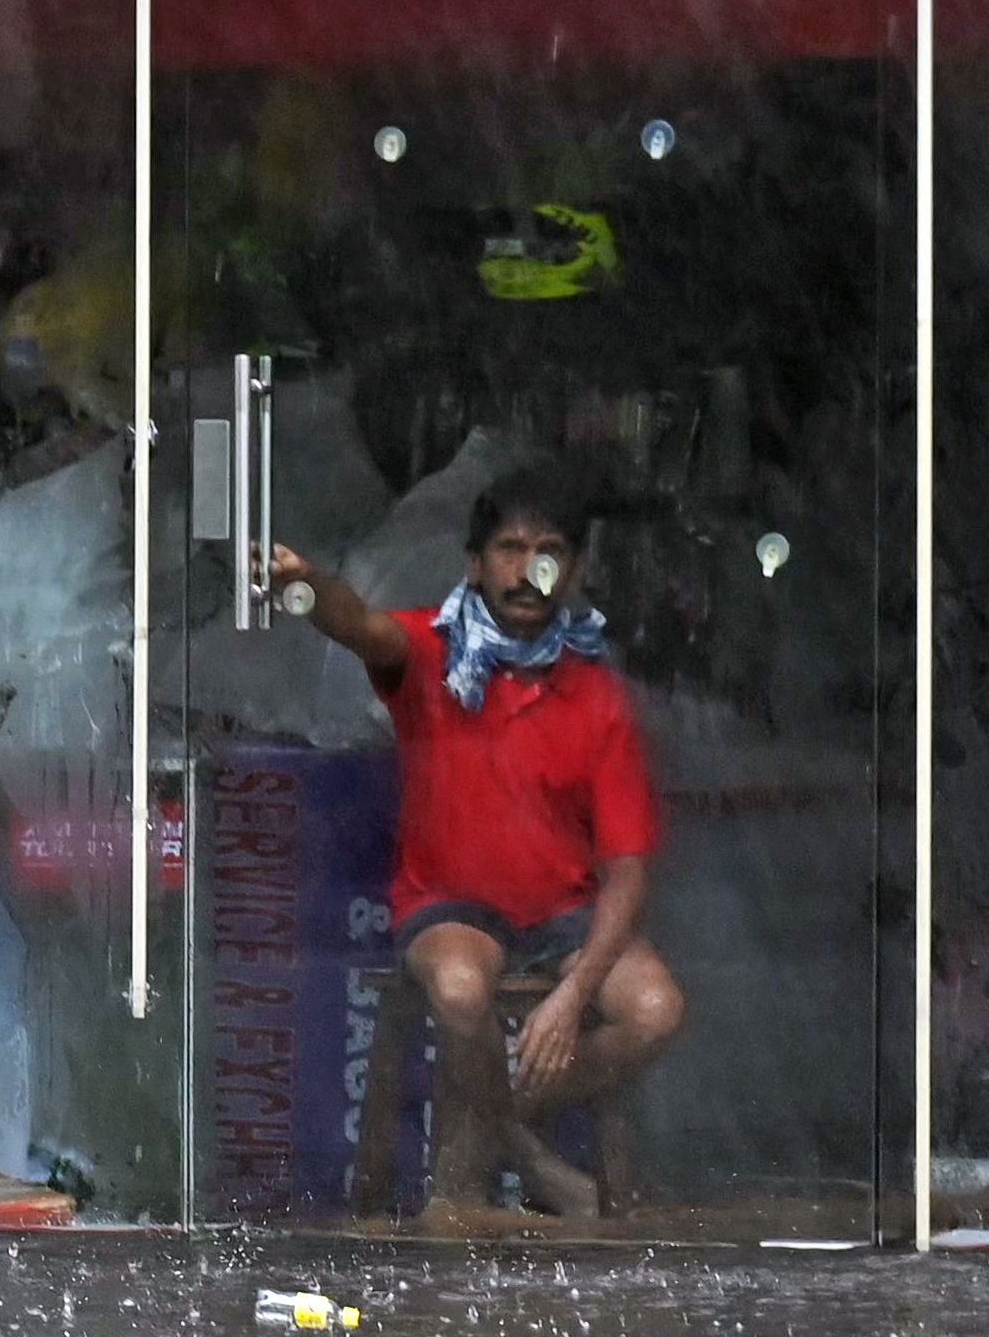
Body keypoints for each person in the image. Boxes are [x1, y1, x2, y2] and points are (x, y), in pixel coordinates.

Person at [268, 458, 683, 1217]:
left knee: (655, 1008)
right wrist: (305, 582)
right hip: (450, 907)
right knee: (461, 992)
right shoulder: (431, 648)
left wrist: (573, 994)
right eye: (509, 549)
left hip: (563, 914)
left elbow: (626, 871)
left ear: (576, 570)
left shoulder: (596, 693)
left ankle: (498, 1128)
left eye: (548, 551)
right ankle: (521, 1149)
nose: (528, 571)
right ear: (475, 562)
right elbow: (356, 624)